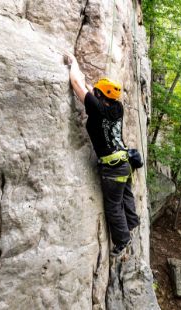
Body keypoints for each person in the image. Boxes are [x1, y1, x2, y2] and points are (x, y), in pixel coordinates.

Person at [65, 52, 140, 257]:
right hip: (125, 162)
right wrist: (94, 89)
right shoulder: (118, 107)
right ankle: (132, 222)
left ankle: (122, 240)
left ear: (99, 97)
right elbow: (92, 92)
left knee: (113, 205)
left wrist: (74, 63)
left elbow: (77, 84)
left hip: (113, 168)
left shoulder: (97, 108)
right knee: (126, 195)